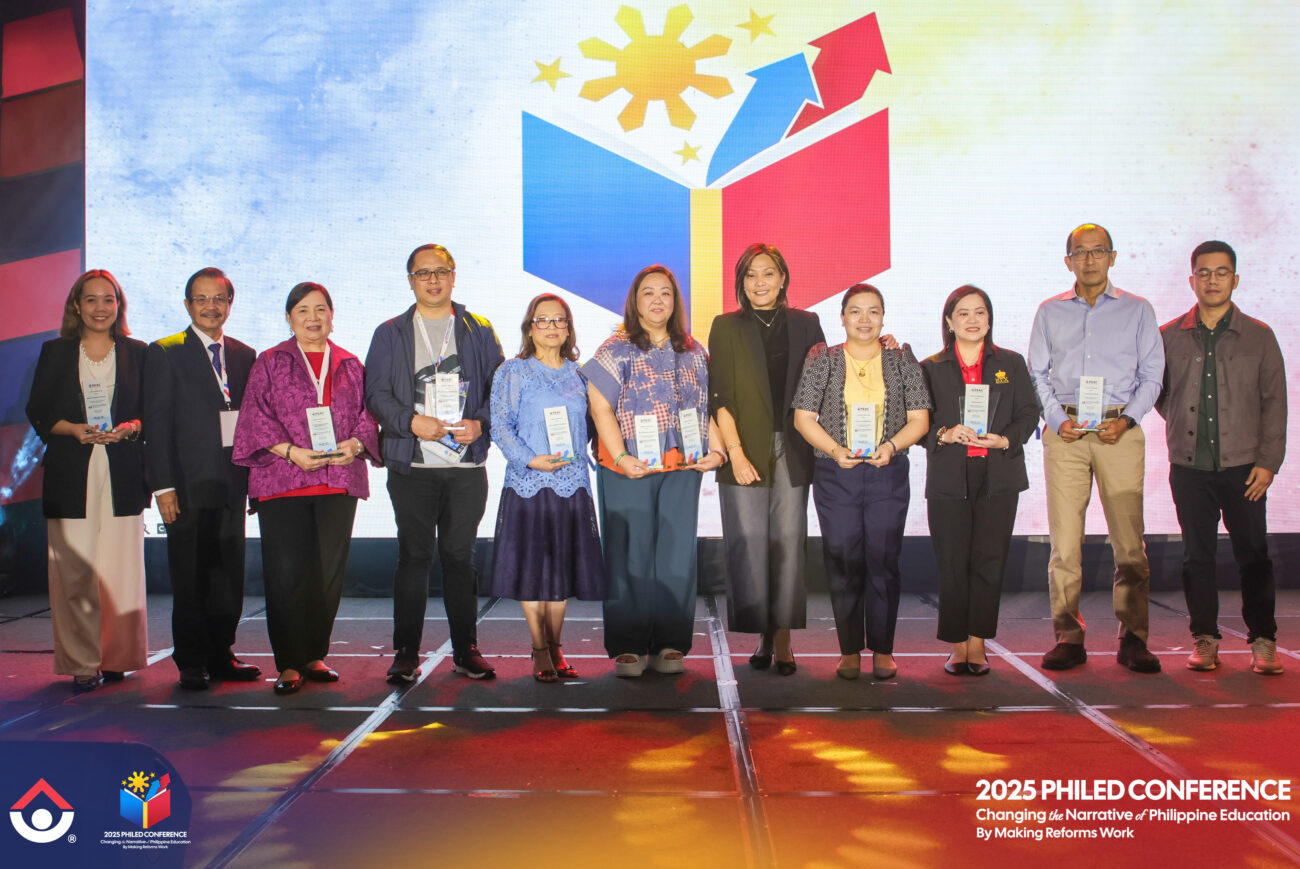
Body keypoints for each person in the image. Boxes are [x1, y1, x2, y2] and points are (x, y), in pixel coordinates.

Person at [364, 244, 505, 683]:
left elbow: (500, 389)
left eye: (440, 271)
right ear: (410, 280)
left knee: (460, 559)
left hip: (465, 468)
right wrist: (411, 422)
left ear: (454, 276)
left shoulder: (478, 328)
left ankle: (466, 650)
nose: (432, 280)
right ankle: (406, 653)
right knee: (413, 557)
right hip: (413, 466)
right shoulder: (390, 332)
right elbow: (376, 394)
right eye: (422, 273)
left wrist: (481, 423)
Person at [1028, 223, 1164, 673]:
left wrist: (1127, 421)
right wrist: (1057, 420)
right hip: (1066, 433)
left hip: (1118, 430)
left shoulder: (1138, 310)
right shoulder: (1049, 311)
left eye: (1098, 251)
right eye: (1081, 252)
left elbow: (1153, 376)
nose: (1089, 260)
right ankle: (1068, 635)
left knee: (1129, 546)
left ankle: (1134, 637)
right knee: (1065, 546)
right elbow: (1037, 374)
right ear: (1068, 261)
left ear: (1112, 257)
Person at [233, 283, 380, 695]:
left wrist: (355, 445)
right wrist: (291, 452)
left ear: (332, 315)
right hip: (283, 480)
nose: (312, 318)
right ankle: (288, 662)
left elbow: (368, 416)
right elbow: (254, 418)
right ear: (289, 318)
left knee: (327, 573)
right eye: (302, 310)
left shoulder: (350, 363)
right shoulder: (270, 361)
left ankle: (314, 654)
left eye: (320, 309)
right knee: (286, 574)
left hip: (337, 480)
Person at [582, 264, 724, 678]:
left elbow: (706, 408)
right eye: (648, 292)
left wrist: (717, 450)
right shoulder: (616, 349)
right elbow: (599, 407)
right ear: (635, 301)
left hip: (682, 465)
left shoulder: (694, 351)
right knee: (629, 552)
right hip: (628, 465)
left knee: (676, 553)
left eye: (666, 292)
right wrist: (621, 456)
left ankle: (670, 642)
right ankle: (628, 645)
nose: (657, 300)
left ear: (676, 302)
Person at [1156, 240, 1286, 675]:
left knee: (1254, 555)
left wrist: (1268, 462)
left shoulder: (1260, 336)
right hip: (1189, 467)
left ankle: (1263, 640)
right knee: (1197, 557)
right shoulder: (1168, 336)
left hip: (1245, 467)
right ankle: (1205, 639)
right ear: (1192, 279)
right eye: (1204, 272)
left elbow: (1275, 403)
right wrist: (1183, 423)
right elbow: (1159, 394)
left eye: (1221, 272)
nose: (1212, 280)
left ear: (1235, 279)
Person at [793, 284, 931, 681]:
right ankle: (849, 649)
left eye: (873, 311)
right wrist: (836, 450)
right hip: (837, 474)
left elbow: (919, 419)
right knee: (842, 559)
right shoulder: (822, 359)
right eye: (856, 311)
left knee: (883, 560)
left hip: (888, 471)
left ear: (883, 318)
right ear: (842, 318)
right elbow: (803, 418)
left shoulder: (902, 360)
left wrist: (891, 446)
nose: (865, 319)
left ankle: (883, 649)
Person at [26, 269, 149, 691]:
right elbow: (38, 410)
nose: (100, 308)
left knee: (120, 570)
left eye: (108, 299)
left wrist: (130, 427)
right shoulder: (56, 351)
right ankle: (82, 662)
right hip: (70, 471)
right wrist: (72, 429)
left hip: (122, 471)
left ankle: (118, 658)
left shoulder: (138, 352)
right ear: (76, 306)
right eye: (91, 299)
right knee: (74, 571)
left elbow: (149, 411)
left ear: (119, 305)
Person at [708, 243, 825, 675]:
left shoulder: (807, 323)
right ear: (741, 282)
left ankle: (784, 638)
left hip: (794, 446)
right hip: (744, 447)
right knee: (749, 542)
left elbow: (829, 377)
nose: (760, 282)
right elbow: (719, 396)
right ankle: (762, 633)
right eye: (751, 274)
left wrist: (885, 346)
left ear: (783, 278)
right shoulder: (725, 326)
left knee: (789, 543)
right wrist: (735, 452)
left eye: (768, 273)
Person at [144, 267, 261, 690]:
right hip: (187, 487)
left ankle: (221, 652)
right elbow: (156, 425)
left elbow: (254, 423)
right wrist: (163, 486)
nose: (211, 307)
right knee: (191, 576)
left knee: (227, 575)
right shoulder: (165, 352)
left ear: (230, 303)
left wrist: (256, 482)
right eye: (202, 299)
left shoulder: (245, 355)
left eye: (219, 299)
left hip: (231, 483)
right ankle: (192, 660)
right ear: (187, 304)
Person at [487, 294, 606, 681]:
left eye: (559, 320)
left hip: (572, 485)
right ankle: (539, 648)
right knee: (533, 572)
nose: (552, 327)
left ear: (569, 329)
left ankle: (556, 646)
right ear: (530, 327)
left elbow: (595, 424)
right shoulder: (513, 371)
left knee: (560, 573)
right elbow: (500, 426)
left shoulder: (581, 374)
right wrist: (530, 459)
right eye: (543, 320)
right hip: (529, 484)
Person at [920, 286, 1038, 675]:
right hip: (950, 477)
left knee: (990, 560)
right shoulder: (930, 367)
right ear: (949, 321)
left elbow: (1028, 413)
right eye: (964, 313)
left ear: (989, 320)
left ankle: (978, 644)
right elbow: (915, 424)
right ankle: (957, 645)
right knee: (953, 563)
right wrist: (944, 433)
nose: (973, 320)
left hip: (998, 474)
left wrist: (1006, 440)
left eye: (980, 312)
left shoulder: (1011, 363)